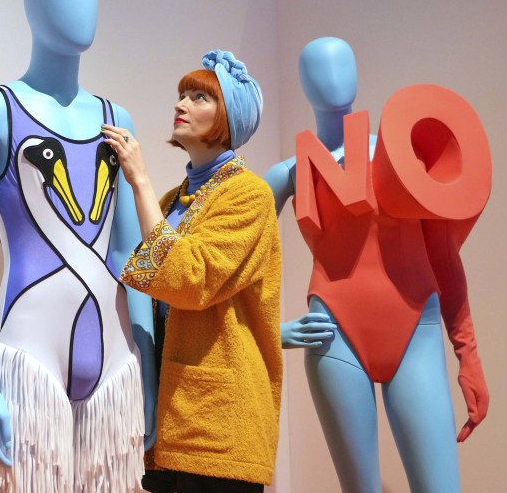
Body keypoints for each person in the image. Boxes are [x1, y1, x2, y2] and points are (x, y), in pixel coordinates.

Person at [0, 0, 150, 492]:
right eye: (64, 0)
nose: (82, 14)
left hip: (116, 361)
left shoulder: (116, 119)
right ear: (33, 13)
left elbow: (129, 252)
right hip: (27, 354)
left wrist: (149, 368)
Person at [264, 36, 489, 493]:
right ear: (303, 84)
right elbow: (237, 262)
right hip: (333, 332)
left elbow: (443, 256)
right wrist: (270, 330)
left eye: (342, 64)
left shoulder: (402, 155)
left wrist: (469, 355)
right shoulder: (286, 173)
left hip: (415, 329)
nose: (334, 78)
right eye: (319, 69)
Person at [104, 50, 282, 493]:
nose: (181, 104)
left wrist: (139, 181)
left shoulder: (250, 195)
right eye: (182, 95)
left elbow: (191, 282)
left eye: (200, 97)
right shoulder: (171, 202)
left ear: (229, 117)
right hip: (170, 424)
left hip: (222, 428)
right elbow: (140, 283)